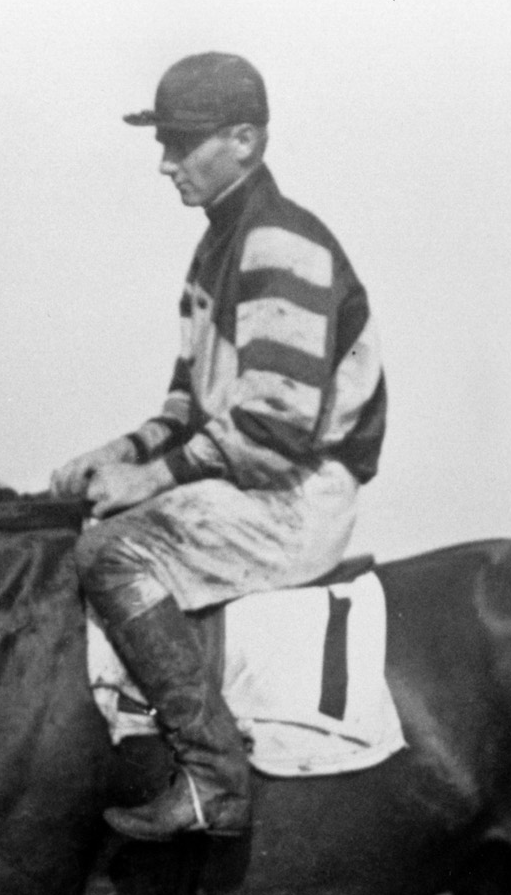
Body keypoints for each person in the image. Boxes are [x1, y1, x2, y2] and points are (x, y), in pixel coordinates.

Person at [50, 52, 389, 840]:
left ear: (245, 140)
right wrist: (118, 454)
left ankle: (213, 776)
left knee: (111, 555)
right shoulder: (216, 248)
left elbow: (272, 429)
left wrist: (148, 482)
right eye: (163, 142)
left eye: (183, 142)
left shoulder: (280, 244)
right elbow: (187, 406)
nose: (167, 162)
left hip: (293, 492)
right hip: (252, 479)